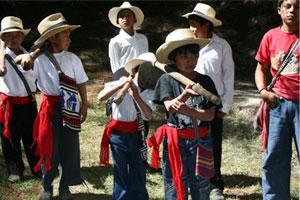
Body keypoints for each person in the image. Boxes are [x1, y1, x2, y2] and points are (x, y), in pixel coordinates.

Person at [17, 13, 88, 200]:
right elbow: (29, 80)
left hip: (70, 107)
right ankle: (46, 185)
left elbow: (81, 83)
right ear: (53, 38)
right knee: (48, 146)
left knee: (69, 147)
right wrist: (27, 63)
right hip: (50, 109)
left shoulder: (73, 58)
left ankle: (65, 186)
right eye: (65, 34)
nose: (69, 38)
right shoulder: (38, 60)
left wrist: (85, 104)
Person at [147, 28, 219, 200]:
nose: (190, 60)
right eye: (183, 56)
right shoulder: (166, 79)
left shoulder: (205, 81)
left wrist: (188, 110)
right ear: (173, 59)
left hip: (200, 140)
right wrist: (185, 95)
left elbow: (210, 115)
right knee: (174, 182)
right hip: (175, 140)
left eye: (194, 55)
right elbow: (170, 106)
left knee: (201, 184)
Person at [182, 3, 235, 199]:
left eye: (195, 24)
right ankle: (193, 181)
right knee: (190, 142)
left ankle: (214, 184)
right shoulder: (185, 45)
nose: (191, 29)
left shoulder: (222, 46)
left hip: (213, 103)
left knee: (212, 144)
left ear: (207, 25)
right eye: (190, 24)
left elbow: (229, 76)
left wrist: (225, 106)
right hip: (189, 101)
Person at [254, 0, 299, 199]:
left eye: (298, 7)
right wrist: (263, 91)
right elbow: (260, 68)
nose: (292, 11)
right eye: (288, 6)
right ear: (279, 9)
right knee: (274, 157)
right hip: (277, 104)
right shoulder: (270, 36)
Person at [98, 53, 155, 200]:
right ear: (134, 72)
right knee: (121, 169)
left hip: (135, 134)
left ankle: (139, 196)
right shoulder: (121, 81)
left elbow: (148, 115)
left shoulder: (148, 91)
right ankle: (121, 197)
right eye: (143, 71)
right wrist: (121, 85)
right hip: (117, 134)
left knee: (138, 167)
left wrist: (135, 95)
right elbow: (101, 97)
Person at [0, 16, 40, 183]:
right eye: (8, 35)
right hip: (8, 104)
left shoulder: (30, 55)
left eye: (17, 35)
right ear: (3, 39)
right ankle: (15, 169)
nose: (13, 38)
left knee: (32, 137)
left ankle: (37, 168)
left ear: (22, 37)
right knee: (9, 139)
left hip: (28, 103)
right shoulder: (1, 57)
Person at [108, 1, 148, 74]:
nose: (125, 19)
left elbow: (146, 60)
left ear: (134, 19)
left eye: (129, 15)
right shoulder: (115, 41)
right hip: (124, 79)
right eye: (121, 16)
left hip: (142, 77)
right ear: (117, 21)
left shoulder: (143, 39)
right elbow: (115, 67)